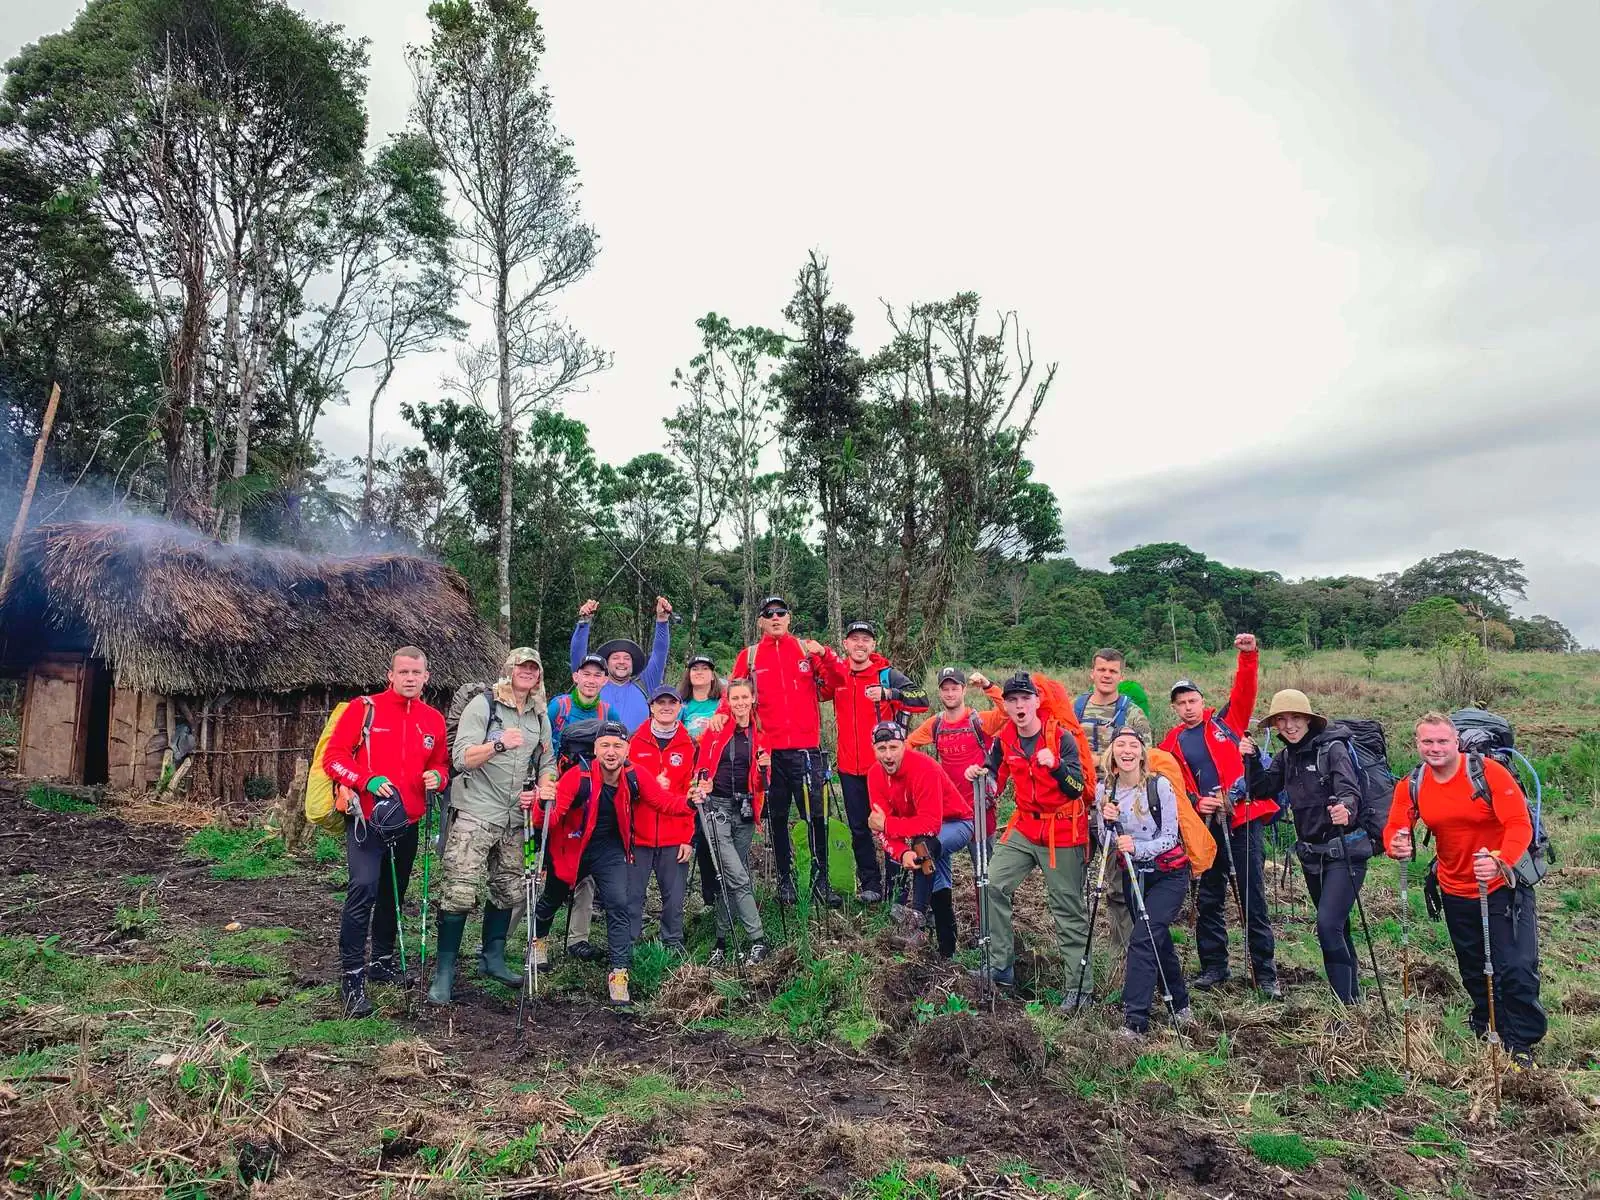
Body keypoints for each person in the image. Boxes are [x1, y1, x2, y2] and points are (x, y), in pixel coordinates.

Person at [1384, 712, 1545, 1068]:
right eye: (1428, 741)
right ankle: (1488, 1020)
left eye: (1442, 741)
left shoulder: (1488, 773)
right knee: (1473, 966)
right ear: (1417, 744)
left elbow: (1518, 824)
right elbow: (1397, 823)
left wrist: (1501, 859)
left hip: (1503, 885)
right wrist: (1396, 843)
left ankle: (1520, 1041)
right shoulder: (1413, 783)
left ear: (1456, 741)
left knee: (1515, 966)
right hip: (1454, 887)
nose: (1435, 748)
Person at [323, 647, 450, 1018]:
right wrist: (366, 779)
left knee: (393, 891)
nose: (410, 678)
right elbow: (334, 758)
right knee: (363, 888)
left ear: (427, 677)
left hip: (407, 821)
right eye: (403, 672)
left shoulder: (433, 720)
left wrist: (438, 777)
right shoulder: (365, 709)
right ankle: (352, 976)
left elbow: (441, 763)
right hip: (366, 819)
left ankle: (381, 961)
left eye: (417, 672)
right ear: (390, 675)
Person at [429, 648, 558, 1005]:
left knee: (509, 889)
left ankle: (493, 958)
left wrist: (547, 783)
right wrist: (499, 743)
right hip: (476, 810)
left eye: (534, 667)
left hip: (516, 816)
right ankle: (445, 972)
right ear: (509, 669)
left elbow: (547, 759)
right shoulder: (484, 706)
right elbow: (461, 758)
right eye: (522, 666)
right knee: (459, 890)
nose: (528, 672)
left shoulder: (538, 715)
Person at [1158, 634, 1278, 997]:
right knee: (1208, 897)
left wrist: (1248, 656)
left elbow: (1245, 691)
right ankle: (1214, 966)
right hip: (1205, 826)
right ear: (1175, 708)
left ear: (1202, 701)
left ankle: (1265, 973)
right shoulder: (1172, 741)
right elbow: (1171, 780)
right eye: (1181, 703)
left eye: (1192, 700)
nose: (1188, 707)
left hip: (1241, 818)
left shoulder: (1227, 722)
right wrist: (1197, 802)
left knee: (1251, 897)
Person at [965, 672, 1090, 1007]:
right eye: (1012, 700)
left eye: (1025, 699)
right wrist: (981, 775)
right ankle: (1001, 967)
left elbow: (1078, 788)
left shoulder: (1061, 737)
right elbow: (994, 772)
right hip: (1024, 827)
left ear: (1037, 701)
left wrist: (1058, 766)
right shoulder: (1005, 738)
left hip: (1061, 830)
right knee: (993, 884)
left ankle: (1079, 989)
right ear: (1005, 706)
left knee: (1067, 908)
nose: (1019, 705)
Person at [1240, 689, 1369, 1003]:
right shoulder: (1287, 757)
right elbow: (1261, 789)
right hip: (1311, 855)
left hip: (1344, 851)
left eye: (1295, 718)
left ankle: (1345, 1004)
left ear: (1309, 720)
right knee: (1338, 926)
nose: (1289, 725)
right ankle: (1354, 999)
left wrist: (1346, 809)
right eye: (1281, 720)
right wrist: (1253, 758)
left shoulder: (1332, 750)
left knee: (1327, 926)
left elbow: (1349, 789)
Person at [532, 719, 669, 1007]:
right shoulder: (577, 777)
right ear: (595, 748)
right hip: (572, 845)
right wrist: (540, 803)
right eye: (605, 745)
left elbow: (663, 802)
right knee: (552, 898)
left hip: (609, 849)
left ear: (627, 750)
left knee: (619, 904)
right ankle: (538, 941)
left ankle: (619, 972)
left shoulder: (634, 775)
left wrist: (692, 802)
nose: (611, 751)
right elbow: (551, 818)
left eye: (617, 746)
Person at [724, 596, 846, 908]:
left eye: (781, 613)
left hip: (807, 750)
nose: (776, 617)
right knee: (777, 818)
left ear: (789, 618)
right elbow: (732, 697)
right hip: (769, 753)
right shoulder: (750, 656)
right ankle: (785, 880)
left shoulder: (805, 650)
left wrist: (826, 654)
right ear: (761, 621)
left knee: (815, 816)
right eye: (769, 614)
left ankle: (821, 879)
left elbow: (837, 682)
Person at [1095, 727, 1193, 1038]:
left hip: (1169, 874)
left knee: (1143, 938)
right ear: (1113, 753)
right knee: (1157, 940)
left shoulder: (1158, 785)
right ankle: (1180, 1004)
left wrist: (1139, 848)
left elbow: (1169, 836)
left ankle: (1135, 1021)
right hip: (1134, 875)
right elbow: (1104, 840)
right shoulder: (1105, 792)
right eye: (1120, 745)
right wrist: (1107, 819)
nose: (1127, 750)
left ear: (1141, 752)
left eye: (1133, 745)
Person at [822, 620, 929, 902]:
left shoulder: (886, 674)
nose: (860, 644)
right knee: (859, 827)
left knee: (891, 824)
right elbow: (815, 691)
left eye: (865, 639)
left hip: (884, 768)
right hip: (848, 767)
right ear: (845, 644)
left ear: (873, 645)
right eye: (854, 639)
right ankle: (870, 884)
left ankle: (897, 887)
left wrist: (889, 694)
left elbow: (922, 700)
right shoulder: (838, 674)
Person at [1074, 649, 1154, 984]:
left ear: (1121, 675)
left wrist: (1094, 760)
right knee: (1073, 880)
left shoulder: (1132, 714)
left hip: (1115, 808)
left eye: (1113, 671)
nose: (1107, 675)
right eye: (1101, 669)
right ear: (1091, 672)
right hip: (1076, 806)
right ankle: (1077, 951)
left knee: (1118, 886)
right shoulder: (1074, 708)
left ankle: (1122, 957)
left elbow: (1144, 757)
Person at [866, 722, 972, 957]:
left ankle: (916, 916)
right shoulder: (874, 775)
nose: (888, 754)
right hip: (920, 837)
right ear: (873, 750)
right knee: (937, 881)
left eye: (893, 747)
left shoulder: (924, 768)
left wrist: (887, 825)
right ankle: (947, 954)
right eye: (881, 748)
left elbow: (929, 824)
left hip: (957, 823)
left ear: (904, 745)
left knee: (924, 845)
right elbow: (880, 828)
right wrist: (903, 853)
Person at [692, 678, 770, 965]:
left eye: (744, 698)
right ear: (728, 700)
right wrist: (703, 782)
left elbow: (762, 782)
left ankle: (721, 940)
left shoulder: (761, 733)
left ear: (752, 699)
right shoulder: (716, 729)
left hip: (746, 810)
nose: (739, 703)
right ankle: (757, 938)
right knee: (737, 875)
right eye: (734, 698)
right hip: (718, 808)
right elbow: (702, 766)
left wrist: (765, 770)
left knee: (730, 874)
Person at [547, 654, 609, 962]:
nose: (591, 680)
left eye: (598, 675)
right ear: (576, 676)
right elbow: (542, 746)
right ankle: (512, 935)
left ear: (605, 681)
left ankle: (578, 938)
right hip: (555, 794)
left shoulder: (606, 711)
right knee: (542, 868)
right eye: (587, 674)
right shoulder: (559, 707)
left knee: (586, 869)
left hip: (590, 797)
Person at [627, 686, 698, 954]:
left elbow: (692, 796)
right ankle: (629, 943)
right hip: (640, 834)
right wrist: (647, 786)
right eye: (660, 703)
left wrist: (688, 838)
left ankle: (672, 942)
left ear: (679, 707)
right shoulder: (635, 741)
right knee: (633, 895)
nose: (666, 707)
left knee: (674, 897)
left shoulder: (689, 745)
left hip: (674, 835)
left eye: (672, 702)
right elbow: (624, 788)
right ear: (651, 707)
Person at [569, 595, 675, 732]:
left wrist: (662, 620)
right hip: (599, 750)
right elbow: (578, 657)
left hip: (637, 751)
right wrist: (584, 622)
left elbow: (659, 653)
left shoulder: (645, 684)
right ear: (606, 663)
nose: (621, 662)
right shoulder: (594, 683)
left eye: (627, 658)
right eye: (615, 658)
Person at [677, 654, 723, 741]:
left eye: (705, 668)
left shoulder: (723, 704)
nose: (699, 672)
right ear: (689, 675)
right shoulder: (680, 705)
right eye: (695, 669)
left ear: (713, 676)